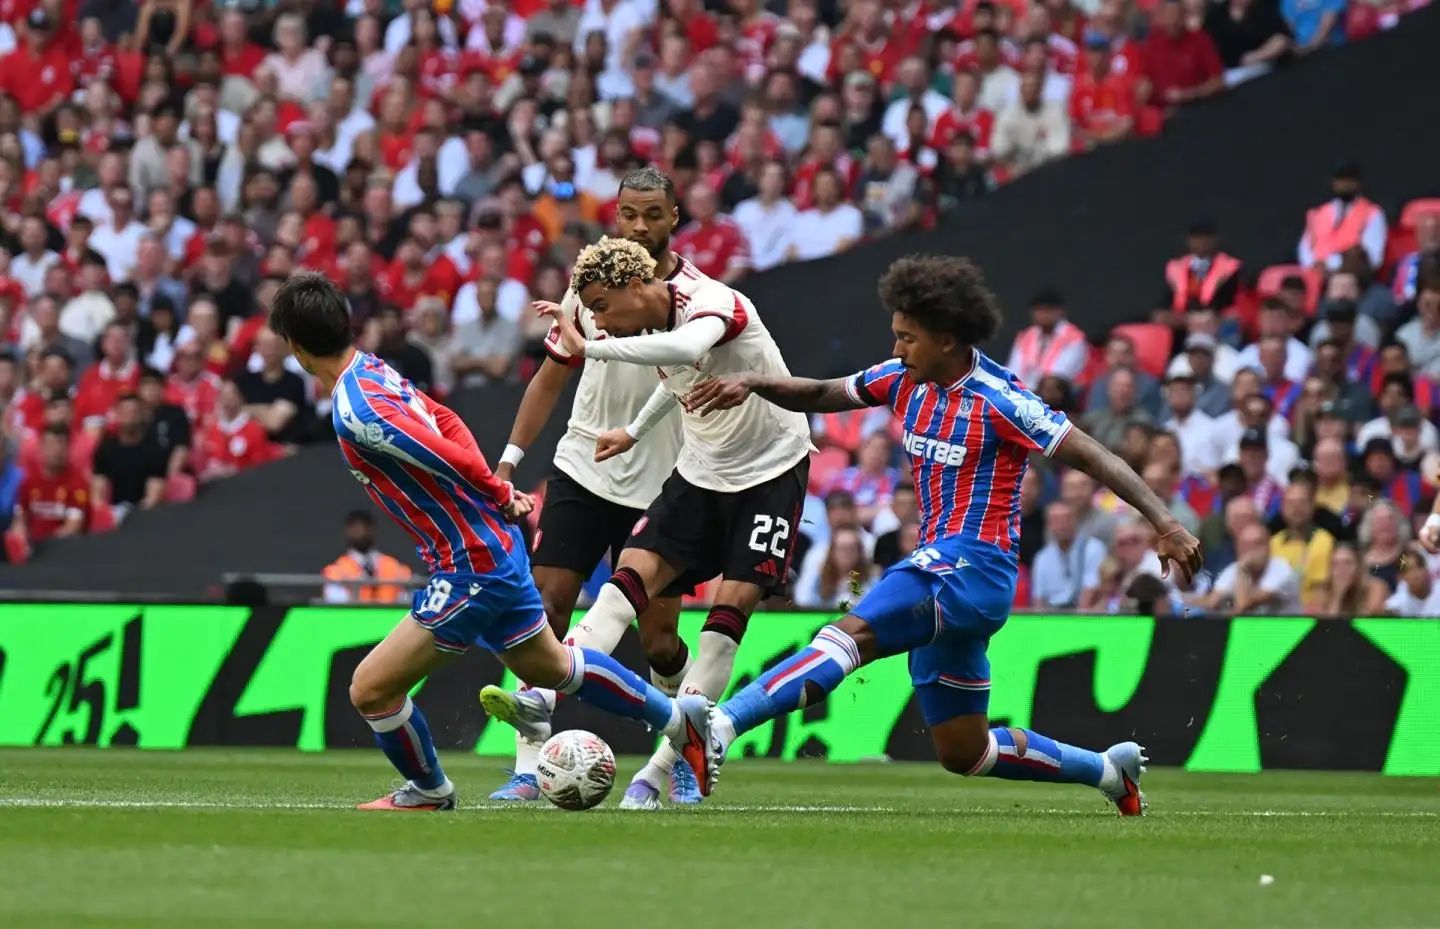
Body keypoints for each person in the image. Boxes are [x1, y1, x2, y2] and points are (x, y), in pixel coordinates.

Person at [675, 255, 1202, 813]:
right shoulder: (903, 380)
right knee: (964, 751)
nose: (897, 348)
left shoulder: (1003, 400)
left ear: (947, 340)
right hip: (944, 573)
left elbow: (1092, 455)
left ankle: (721, 726)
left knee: (848, 636)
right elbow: (824, 393)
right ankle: (1108, 773)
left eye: (908, 338)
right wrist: (755, 384)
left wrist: (1164, 523)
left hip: (975, 566)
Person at [267, 270, 695, 812]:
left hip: (468, 565)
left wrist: (496, 488)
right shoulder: (373, 371)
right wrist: (496, 495)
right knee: (553, 668)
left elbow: (445, 452)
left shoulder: (358, 407)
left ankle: (428, 791)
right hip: (493, 548)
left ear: (297, 347)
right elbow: (446, 420)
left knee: (370, 689)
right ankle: (682, 722)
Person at [488, 233, 814, 810]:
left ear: (636, 287)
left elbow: (688, 348)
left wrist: (590, 349)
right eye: (588, 312)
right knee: (622, 587)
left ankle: (664, 769)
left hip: (770, 473)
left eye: (601, 307)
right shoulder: (641, 325)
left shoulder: (714, 301)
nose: (596, 320)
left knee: (723, 618)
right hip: (698, 474)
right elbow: (678, 377)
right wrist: (635, 430)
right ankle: (547, 691)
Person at [484, 168, 699, 805]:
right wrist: (509, 460)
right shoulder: (586, 291)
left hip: (662, 485)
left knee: (659, 640)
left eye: (652, 214)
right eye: (629, 213)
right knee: (544, 607)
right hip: (582, 469)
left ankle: (682, 742)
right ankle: (528, 767)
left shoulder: (694, 298)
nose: (639, 225)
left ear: (674, 217)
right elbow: (550, 378)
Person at [323, 510, 414, 605]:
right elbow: (335, 603)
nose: (361, 532)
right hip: (355, 617)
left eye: (365, 527)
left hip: (392, 617)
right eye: (356, 528)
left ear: (372, 530)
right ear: (348, 531)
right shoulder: (336, 571)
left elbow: (406, 598)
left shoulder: (394, 566)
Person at [1031, 501, 1108, 609]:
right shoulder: (1042, 557)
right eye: (1055, 520)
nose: (1061, 525)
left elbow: (1092, 590)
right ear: (1048, 525)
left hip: (1083, 614)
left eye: (1066, 519)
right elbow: (1038, 599)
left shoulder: (1093, 548)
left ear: (1075, 520)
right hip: (1051, 615)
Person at [1006, 288, 1088, 389]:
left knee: (1051, 384)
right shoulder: (1025, 336)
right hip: (1023, 394)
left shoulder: (1074, 338)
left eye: (1049, 309)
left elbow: (1061, 374)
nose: (1044, 314)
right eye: (1039, 309)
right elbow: (1013, 370)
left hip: (1058, 396)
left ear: (1060, 311)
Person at [1307, 541, 1389, 615]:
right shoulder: (1321, 593)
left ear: (1358, 567)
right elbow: (1326, 628)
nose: (1341, 570)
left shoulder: (1375, 587)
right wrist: (1338, 597)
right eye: (1335, 564)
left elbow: (1369, 623)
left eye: (1348, 563)